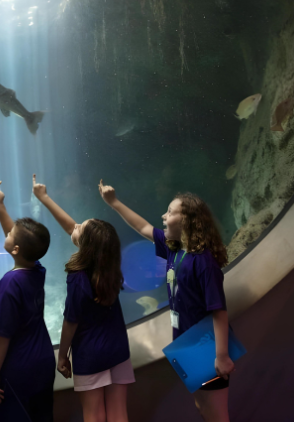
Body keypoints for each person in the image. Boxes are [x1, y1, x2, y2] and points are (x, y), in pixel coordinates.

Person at [99, 180, 234, 422]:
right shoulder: (174, 249)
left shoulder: (203, 261)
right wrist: (114, 203)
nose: (164, 215)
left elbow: (219, 310)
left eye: (170, 211)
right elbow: (142, 227)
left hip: (206, 346)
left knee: (217, 413)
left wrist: (222, 355)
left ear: (188, 220)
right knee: (202, 406)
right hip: (185, 343)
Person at [33, 174, 132, 422]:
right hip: (118, 348)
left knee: (94, 414)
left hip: (90, 353)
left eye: (80, 227)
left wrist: (63, 354)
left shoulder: (78, 277)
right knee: (119, 412)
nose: (74, 227)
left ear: (85, 246)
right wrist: (44, 198)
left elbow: (71, 320)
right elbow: (71, 227)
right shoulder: (108, 266)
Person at [0, 180, 55, 421]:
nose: (8, 231)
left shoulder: (10, 284)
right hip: (44, 361)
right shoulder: (37, 271)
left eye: (11, 233)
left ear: (15, 249)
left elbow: (2, 335)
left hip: (19, 367)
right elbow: (20, 240)